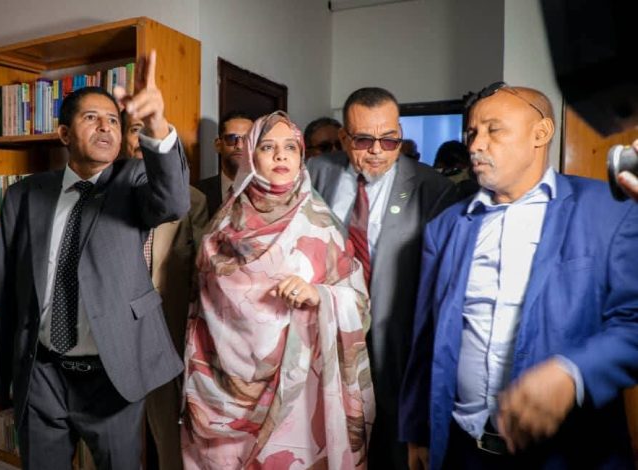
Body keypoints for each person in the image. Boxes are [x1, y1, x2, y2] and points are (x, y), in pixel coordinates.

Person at [399, 82, 638, 470]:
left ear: (540, 133)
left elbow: (633, 323)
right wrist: (418, 430)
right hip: (464, 449)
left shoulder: (609, 211)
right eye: (472, 133)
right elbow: (426, 335)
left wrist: (573, 375)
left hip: (567, 454)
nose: (476, 145)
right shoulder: (445, 228)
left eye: (494, 130)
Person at [0, 51, 191, 469]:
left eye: (114, 120)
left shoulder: (132, 179)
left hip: (112, 373)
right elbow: (10, 290)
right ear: (64, 133)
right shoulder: (24, 195)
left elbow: (173, 200)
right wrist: (4, 379)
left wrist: (157, 125)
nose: (106, 127)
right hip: (43, 371)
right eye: (91, 118)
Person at [181, 111, 375, 468]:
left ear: (301, 157)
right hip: (224, 390)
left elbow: (359, 304)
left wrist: (320, 296)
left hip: (299, 388)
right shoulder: (222, 226)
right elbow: (201, 311)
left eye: (290, 147)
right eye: (268, 147)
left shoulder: (321, 224)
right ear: (250, 155)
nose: (281, 155)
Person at [307, 87, 458, 470]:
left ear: (400, 134)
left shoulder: (432, 189)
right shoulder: (316, 173)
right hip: (329, 337)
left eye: (389, 139)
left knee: (392, 447)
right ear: (344, 138)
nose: (377, 150)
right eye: (363, 140)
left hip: (396, 342)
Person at [119, 111, 208, 470]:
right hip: (114, 326)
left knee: (167, 423)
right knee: (111, 426)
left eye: (150, 133)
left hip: (165, 326)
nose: (142, 141)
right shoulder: (105, 195)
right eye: (135, 131)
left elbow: (201, 268)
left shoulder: (192, 200)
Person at [196, 111, 253, 218]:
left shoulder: (270, 192)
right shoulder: (197, 193)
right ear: (218, 145)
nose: (239, 146)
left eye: (247, 139)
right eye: (232, 138)